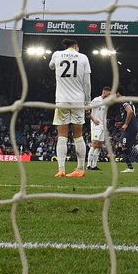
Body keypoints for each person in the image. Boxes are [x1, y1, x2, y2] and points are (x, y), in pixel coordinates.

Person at [49, 38, 91, 178]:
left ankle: (61, 169)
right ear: (76, 46)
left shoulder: (57, 54)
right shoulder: (83, 58)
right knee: (78, 136)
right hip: (78, 101)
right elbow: (87, 83)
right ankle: (80, 169)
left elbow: (51, 66)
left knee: (62, 136)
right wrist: (88, 102)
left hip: (62, 100)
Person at [115, 88, 138, 172]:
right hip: (130, 126)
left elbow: (130, 112)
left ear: (118, 93)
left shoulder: (124, 101)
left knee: (124, 147)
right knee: (121, 147)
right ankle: (130, 167)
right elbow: (129, 114)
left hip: (130, 127)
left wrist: (126, 124)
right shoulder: (127, 100)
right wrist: (121, 123)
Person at [86, 86, 111, 171]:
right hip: (96, 125)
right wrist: (93, 119)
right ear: (104, 92)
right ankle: (89, 165)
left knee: (99, 146)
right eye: (109, 93)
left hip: (103, 126)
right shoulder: (97, 100)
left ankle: (94, 165)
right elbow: (87, 108)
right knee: (94, 144)